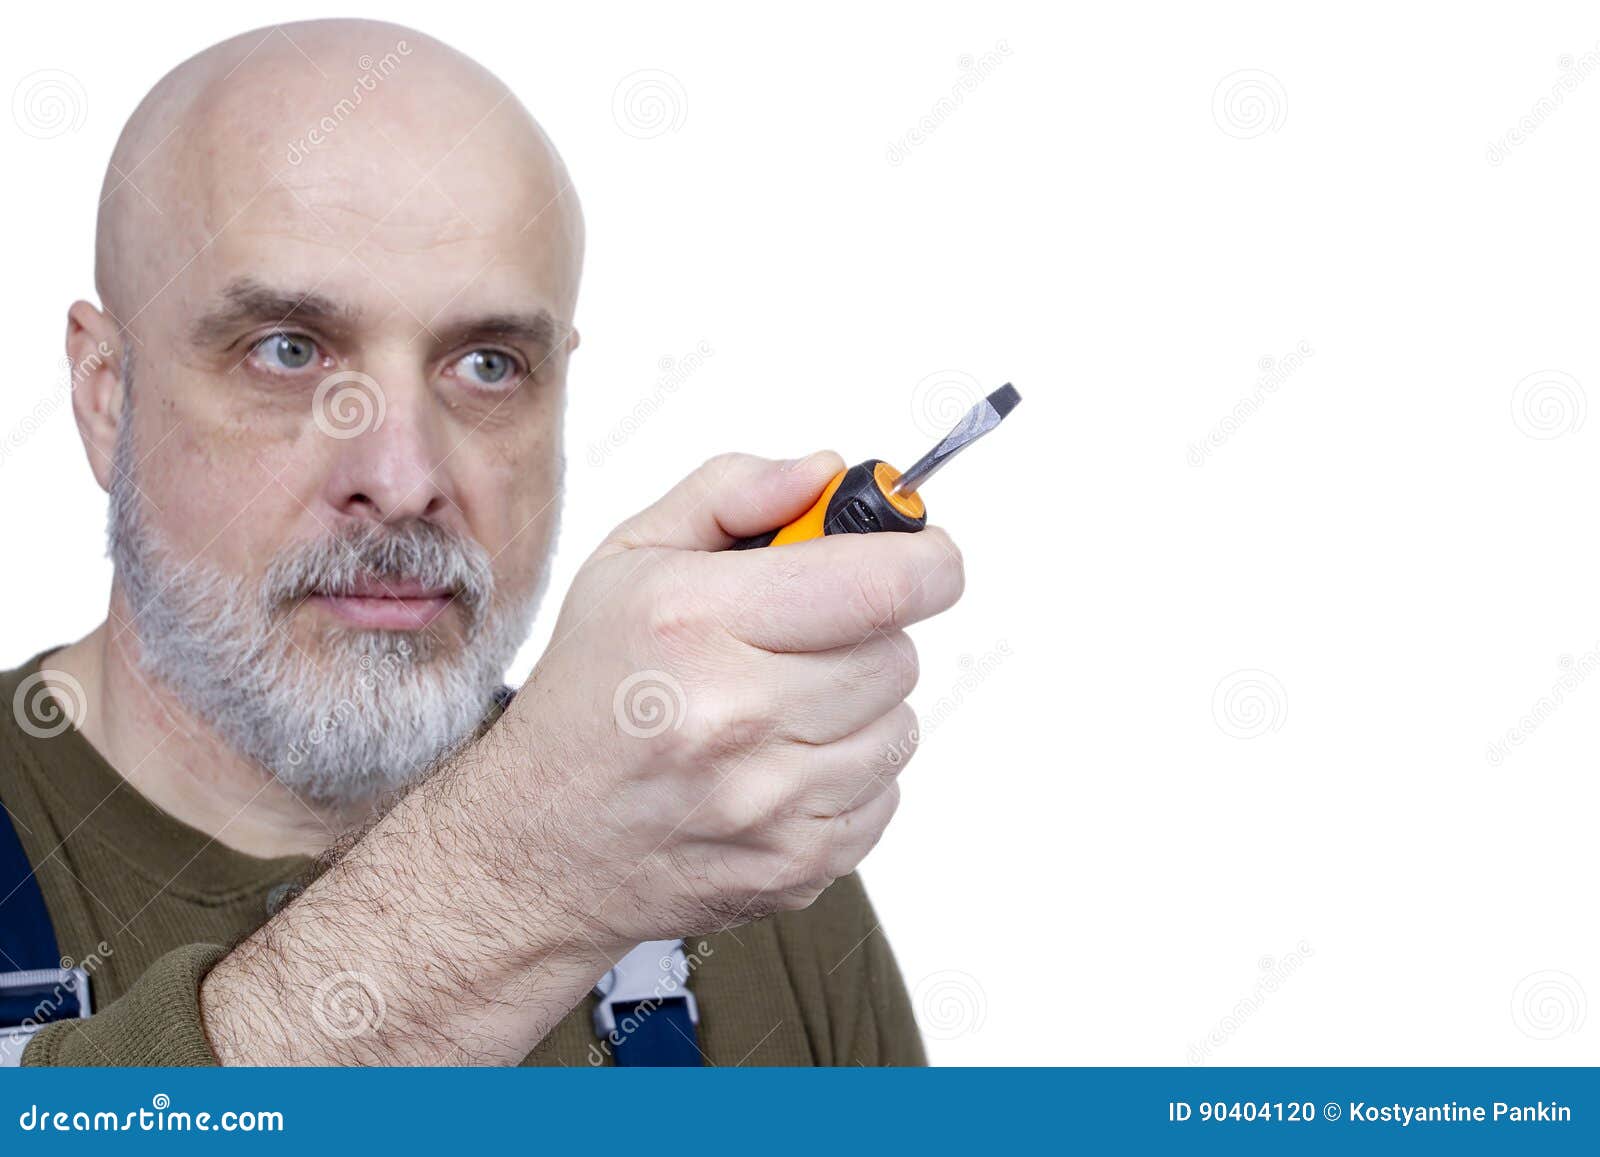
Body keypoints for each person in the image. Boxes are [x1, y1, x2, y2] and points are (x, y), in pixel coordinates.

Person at [0, 18, 965, 1065]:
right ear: (105, 395)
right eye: (288, 351)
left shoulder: (720, 856)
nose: (405, 478)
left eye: (489, 365)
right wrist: (531, 869)